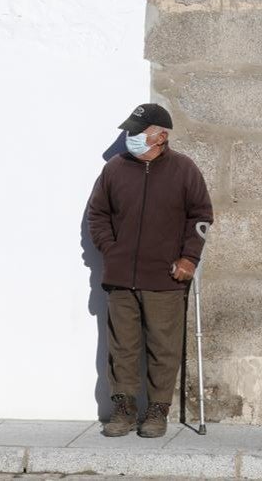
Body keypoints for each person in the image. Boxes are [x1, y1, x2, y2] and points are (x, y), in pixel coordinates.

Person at [86, 103, 213, 437]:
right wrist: (111, 250)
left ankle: (158, 411)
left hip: (165, 277)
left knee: (162, 347)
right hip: (120, 278)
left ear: (161, 135)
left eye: (137, 132)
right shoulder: (114, 169)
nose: (131, 138)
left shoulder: (184, 170)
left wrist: (189, 259)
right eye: (129, 131)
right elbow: (97, 214)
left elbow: (201, 217)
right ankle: (124, 409)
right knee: (121, 348)